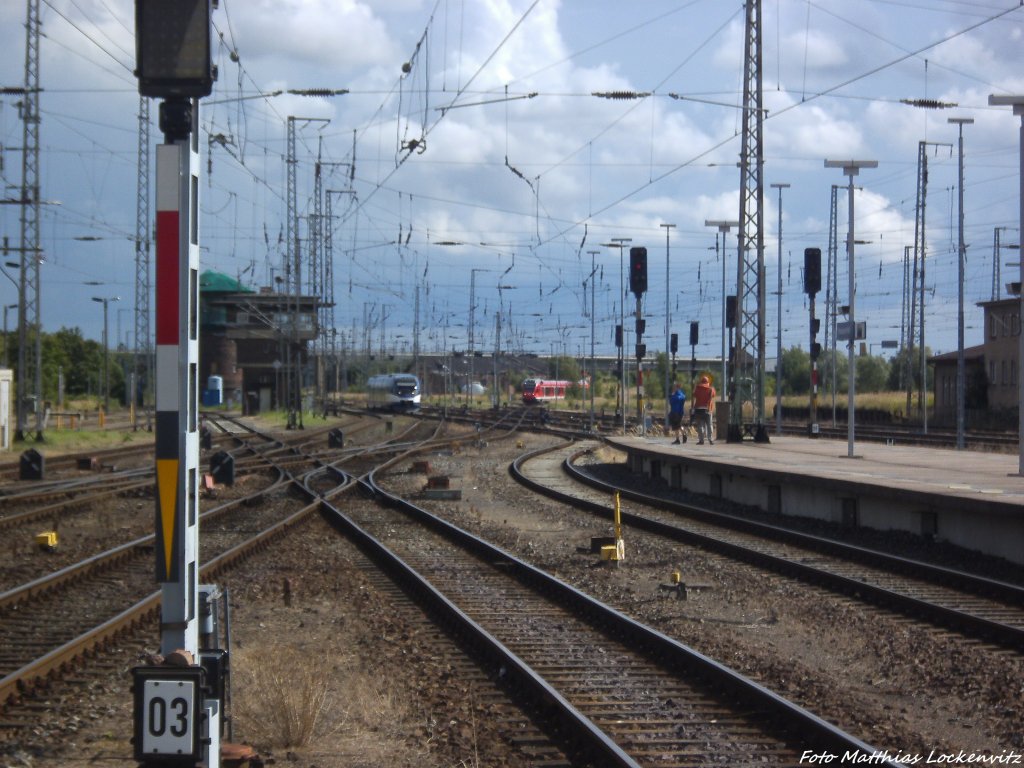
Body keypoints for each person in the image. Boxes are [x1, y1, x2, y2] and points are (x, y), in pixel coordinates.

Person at [691, 375, 716, 445]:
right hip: (708, 409)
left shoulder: (698, 388)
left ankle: (701, 440)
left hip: (698, 409)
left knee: (700, 425)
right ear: (708, 382)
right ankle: (710, 439)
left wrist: (695, 386)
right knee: (709, 424)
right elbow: (714, 395)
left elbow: (694, 395)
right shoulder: (711, 389)